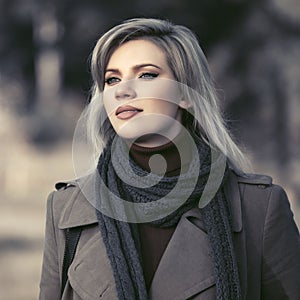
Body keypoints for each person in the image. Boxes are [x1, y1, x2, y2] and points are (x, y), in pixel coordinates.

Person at [39, 18, 300, 300]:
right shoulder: (66, 209)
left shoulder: (259, 209)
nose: (122, 90)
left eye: (147, 75)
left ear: (186, 95)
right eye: (112, 79)